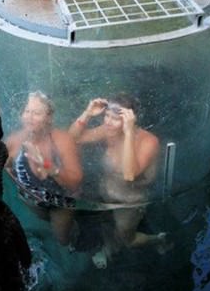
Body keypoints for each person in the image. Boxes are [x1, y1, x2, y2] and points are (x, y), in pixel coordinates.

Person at [69, 93, 163, 267]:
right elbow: (72, 139)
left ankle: (158, 240)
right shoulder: (109, 131)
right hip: (106, 191)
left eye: (115, 118)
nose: (107, 122)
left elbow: (129, 175)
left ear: (130, 120)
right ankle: (109, 248)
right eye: (106, 116)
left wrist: (128, 132)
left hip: (129, 201)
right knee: (105, 223)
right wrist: (87, 113)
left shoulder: (149, 141)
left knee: (128, 239)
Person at [5, 91, 83, 247]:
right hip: (32, 200)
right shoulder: (14, 141)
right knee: (44, 218)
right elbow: (4, 166)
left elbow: (75, 183)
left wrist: (47, 165)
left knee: (62, 240)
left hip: (61, 203)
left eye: (37, 113)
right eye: (27, 111)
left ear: (49, 118)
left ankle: (77, 236)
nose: (29, 117)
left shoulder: (62, 141)